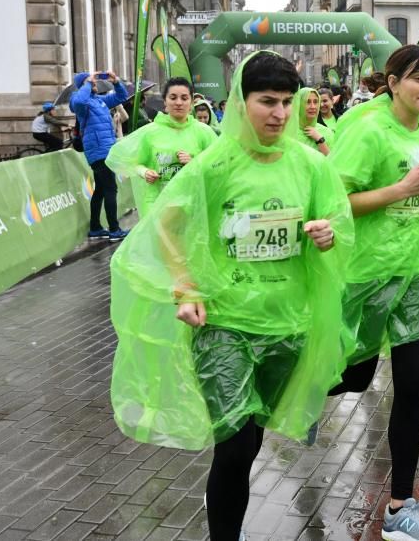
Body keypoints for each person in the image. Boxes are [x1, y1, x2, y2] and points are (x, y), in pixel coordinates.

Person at [108, 51, 353, 541]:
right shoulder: (215, 163)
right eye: (267, 101)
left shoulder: (310, 164)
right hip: (224, 325)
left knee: (253, 432)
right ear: (242, 102)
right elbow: (168, 225)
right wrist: (184, 285)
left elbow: (338, 222)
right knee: (236, 443)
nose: (280, 114)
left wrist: (327, 234)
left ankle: (227, 503)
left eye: (287, 101)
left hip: (287, 322)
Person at [328, 45, 419, 541]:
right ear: (393, 80)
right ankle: (302, 399)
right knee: (354, 379)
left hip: (418, 275)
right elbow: (335, 202)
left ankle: (400, 507)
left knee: (411, 388)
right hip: (366, 276)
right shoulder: (365, 128)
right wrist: (400, 191)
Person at [106, 77, 217, 218]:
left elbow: (219, 165)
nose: (178, 102)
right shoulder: (150, 132)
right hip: (158, 205)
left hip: (193, 205)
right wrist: (144, 171)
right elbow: (121, 158)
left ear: (191, 103)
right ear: (165, 102)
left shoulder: (204, 132)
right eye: (173, 97)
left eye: (184, 98)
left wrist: (195, 162)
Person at [69, 70, 131, 241]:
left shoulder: (98, 100)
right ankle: (114, 229)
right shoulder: (79, 101)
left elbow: (121, 97)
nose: (95, 84)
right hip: (99, 152)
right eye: (91, 83)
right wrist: (88, 82)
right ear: (84, 85)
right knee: (111, 189)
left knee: (101, 191)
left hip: (105, 150)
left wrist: (116, 81)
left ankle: (95, 228)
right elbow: (79, 100)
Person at [296, 87, 334, 156]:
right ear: (299, 104)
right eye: (308, 102)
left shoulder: (327, 132)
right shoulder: (288, 132)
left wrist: (320, 140)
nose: (313, 106)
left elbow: (333, 161)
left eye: (316, 102)